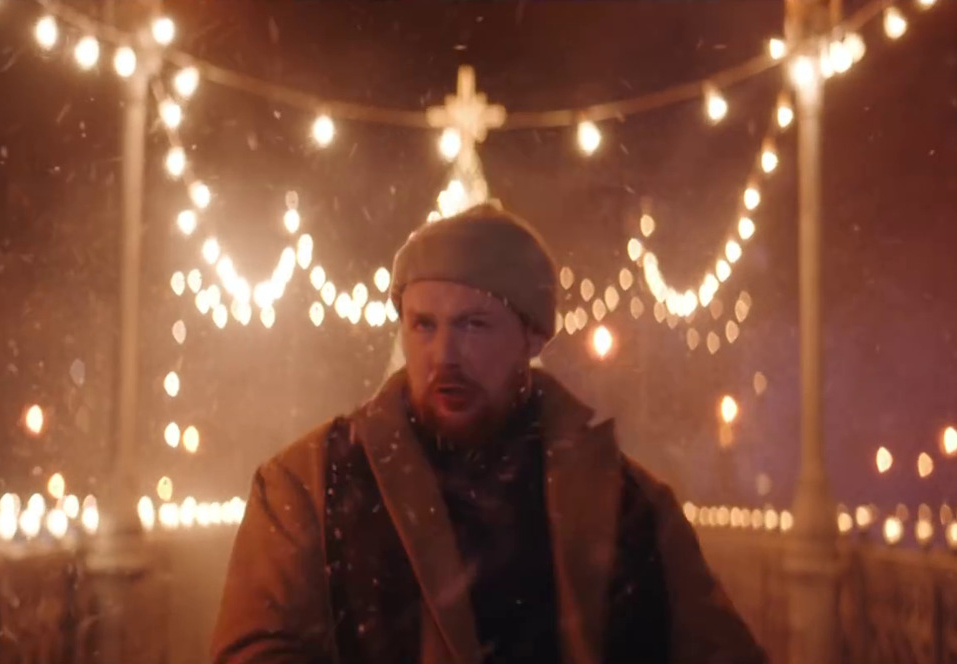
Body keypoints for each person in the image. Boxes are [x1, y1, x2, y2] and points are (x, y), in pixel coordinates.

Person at [210, 204, 765, 664]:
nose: (444, 356)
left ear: (532, 337)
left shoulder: (628, 506)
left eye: (474, 325)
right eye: (423, 325)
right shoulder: (311, 484)